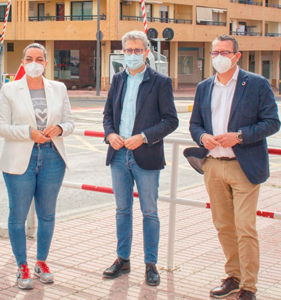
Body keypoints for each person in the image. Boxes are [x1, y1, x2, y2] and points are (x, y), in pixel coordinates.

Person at [189, 34, 280, 300]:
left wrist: (239, 136)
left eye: (225, 52)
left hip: (244, 165)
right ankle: (233, 275)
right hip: (213, 165)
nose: (219, 57)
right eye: (215, 53)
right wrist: (202, 137)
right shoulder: (204, 87)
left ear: (237, 56)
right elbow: (195, 123)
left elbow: (272, 123)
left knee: (244, 227)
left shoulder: (257, 84)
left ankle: (249, 286)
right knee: (223, 226)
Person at [101, 30, 179, 287]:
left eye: (137, 50)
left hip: (145, 155)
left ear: (147, 52)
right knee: (122, 210)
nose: (132, 55)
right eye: (128, 50)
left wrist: (144, 137)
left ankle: (150, 264)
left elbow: (171, 121)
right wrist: (110, 134)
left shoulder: (160, 82)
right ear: (123, 53)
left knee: (149, 212)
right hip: (118, 154)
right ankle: (123, 260)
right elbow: (108, 116)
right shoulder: (118, 79)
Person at [0, 43, 75, 289]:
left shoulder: (58, 88)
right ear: (22, 61)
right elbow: (0, 127)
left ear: (46, 63)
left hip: (52, 157)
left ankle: (41, 261)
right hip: (21, 159)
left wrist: (60, 128)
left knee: (47, 215)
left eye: (39, 59)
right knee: (17, 216)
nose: (34, 63)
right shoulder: (9, 89)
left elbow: (70, 122)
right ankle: (22, 266)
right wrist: (29, 133)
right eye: (29, 58)